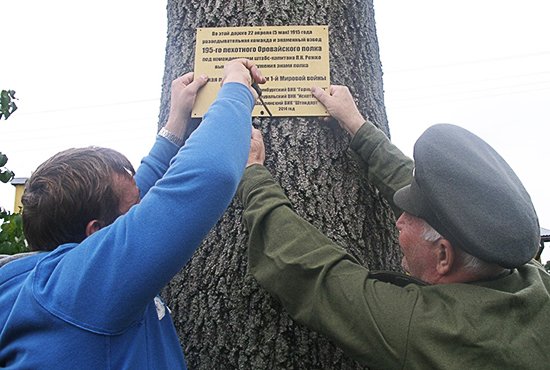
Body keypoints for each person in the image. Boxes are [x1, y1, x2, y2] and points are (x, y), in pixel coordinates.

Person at [238, 85, 550, 368]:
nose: (398, 220)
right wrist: (358, 127)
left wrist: (253, 174)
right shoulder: (530, 276)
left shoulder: (428, 329)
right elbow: (432, 194)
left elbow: (313, 275)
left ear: (444, 255)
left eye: (410, 217)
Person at [0, 59, 266, 369]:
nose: (144, 208)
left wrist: (176, 122)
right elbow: (210, 173)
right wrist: (235, 88)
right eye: (134, 211)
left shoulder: (45, 281)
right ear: (95, 231)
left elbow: (132, 195)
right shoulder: (87, 287)